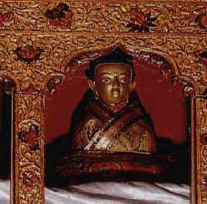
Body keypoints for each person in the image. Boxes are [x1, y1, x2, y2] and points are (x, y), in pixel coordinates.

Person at [54, 47, 170, 180]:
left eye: (123, 80)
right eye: (106, 80)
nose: (115, 86)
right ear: (92, 85)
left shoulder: (142, 128)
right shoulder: (87, 125)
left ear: (131, 86)